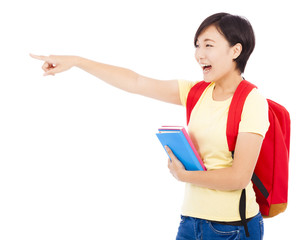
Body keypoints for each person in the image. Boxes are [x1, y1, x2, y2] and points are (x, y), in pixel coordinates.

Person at [31, 12, 269, 240]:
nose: (199, 54)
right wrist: (76, 61)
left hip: (234, 228)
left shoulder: (251, 100)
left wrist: (185, 175)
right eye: (197, 45)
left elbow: (238, 178)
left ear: (235, 50)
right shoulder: (196, 92)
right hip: (190, 221)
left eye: (208, 45)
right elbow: (136, 82)